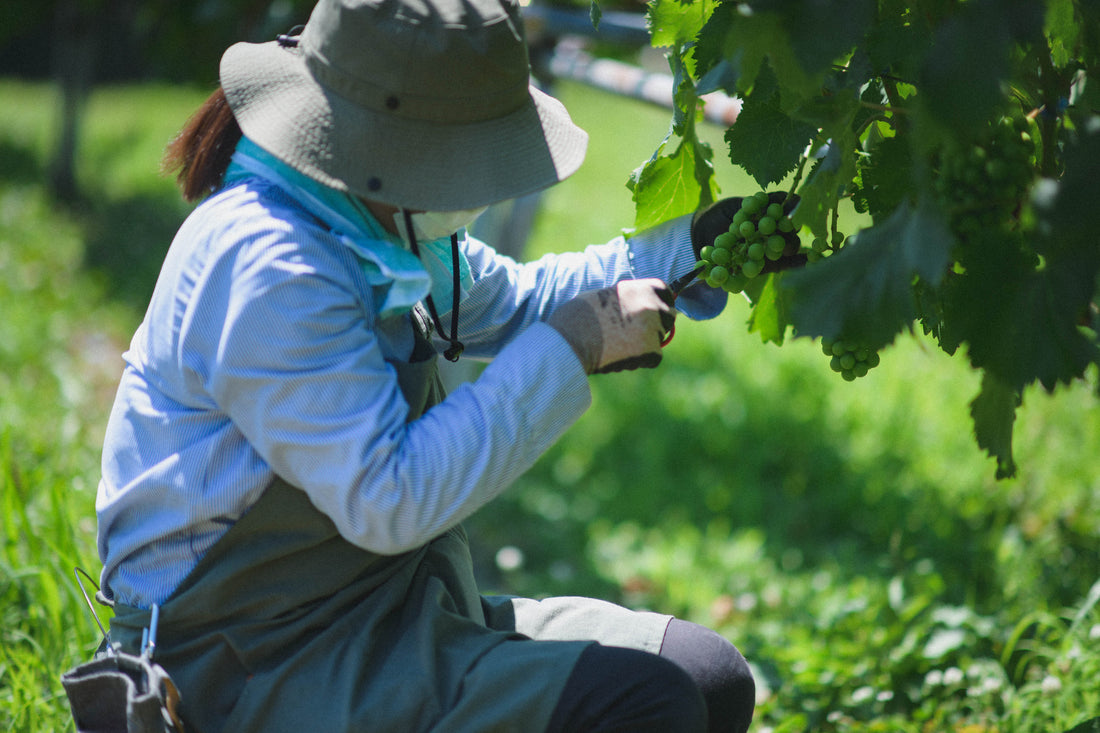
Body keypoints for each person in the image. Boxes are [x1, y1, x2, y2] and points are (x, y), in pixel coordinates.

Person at [93, 0, 789, 730]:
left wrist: (692, 248)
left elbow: (518, 299)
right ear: (401, 143)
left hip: (379, 607)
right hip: (249, 661)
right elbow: (390, 498)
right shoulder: (274, 267)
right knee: (647, 702)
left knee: (709, 678)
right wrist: (573, 345)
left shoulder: (372, 219)